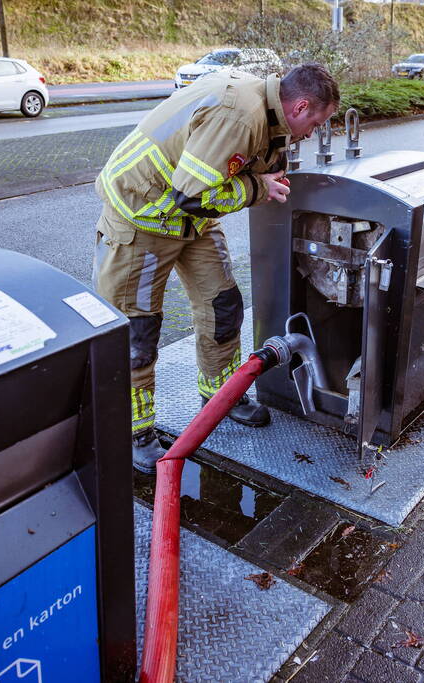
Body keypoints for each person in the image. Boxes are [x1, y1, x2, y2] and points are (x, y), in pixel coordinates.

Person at [93, 63, 340, 474]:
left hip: (191, 219)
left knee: (223, 305)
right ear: (299, 106)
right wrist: (259, 189)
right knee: (137, 332)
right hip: (142, 216)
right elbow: (192, 195)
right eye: (316, 121)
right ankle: (133, 431)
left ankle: (222, 397)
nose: (313, 133)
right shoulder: (239, 114)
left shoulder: (269, 113)